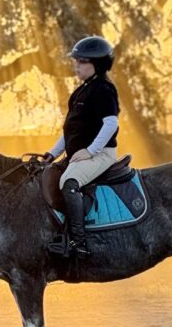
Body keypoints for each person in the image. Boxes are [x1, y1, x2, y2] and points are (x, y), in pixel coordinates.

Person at [43, 36, 120, 258]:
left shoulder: (103, 89)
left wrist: (90, 151)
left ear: (98, 64)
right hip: (81, 154)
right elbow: (70, 130)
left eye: (82, 61)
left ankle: (78, 243)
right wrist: (52, 154)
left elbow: (111, 123)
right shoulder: (80, 92)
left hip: (101, 154)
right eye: (76, 61)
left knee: (69, 182)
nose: (76, 65)